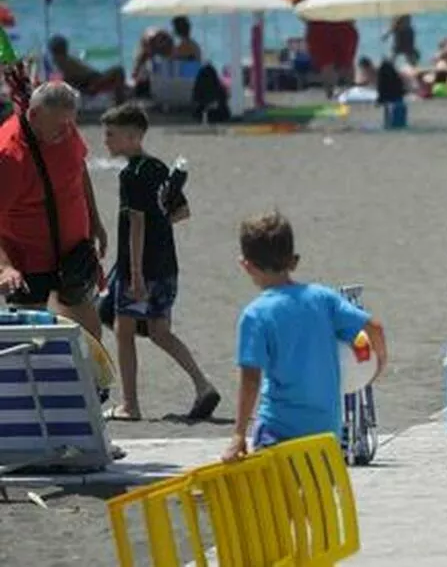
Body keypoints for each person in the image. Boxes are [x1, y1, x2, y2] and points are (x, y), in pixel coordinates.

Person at [222, 210, 389, 462]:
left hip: (278, 431)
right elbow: (375, 328)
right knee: (316, 499)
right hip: (324, 433)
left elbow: (251, 379)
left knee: (278, 500)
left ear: (246, 265)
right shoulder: (323, 298)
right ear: (294, 260)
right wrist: (377, 366)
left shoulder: (255, 315)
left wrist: (238, 435)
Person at [99, 104, 219, 421]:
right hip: (167, 264)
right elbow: (181, 211)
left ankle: (130, 404)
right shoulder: (160, 168)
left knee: (124, 329)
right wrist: (160, 219)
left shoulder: (132, 174)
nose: (106, 142)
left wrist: (135, 274)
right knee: (159, 331)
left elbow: (136, 223)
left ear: (132, 136)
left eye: (111, 135)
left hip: (140, 268)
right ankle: (203, 384)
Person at [0, 81, 109, 341]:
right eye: (60, 125)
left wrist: (95, 221)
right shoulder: (9, 154)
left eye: (70, 123)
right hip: (27, 260)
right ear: (34, 115)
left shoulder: (65, 130)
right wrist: (5, 267)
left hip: (74, 253)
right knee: (29, 341)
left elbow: (79, 170)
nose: (66, 131)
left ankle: (96, 383)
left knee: (90, 333)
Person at [289, 0, 359, 98]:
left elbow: (293, 2)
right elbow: (355, 3)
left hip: (318, 25)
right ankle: (350, 93)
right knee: (347, 63)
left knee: (326, 63)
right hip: (343, 23)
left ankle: (330, 94)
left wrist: (305, 17)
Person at [46, 35, 128, 105]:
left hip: (90, 80)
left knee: (118, 76)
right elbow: (68, 78)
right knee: (119, 71)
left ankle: (119, 101)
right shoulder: (61, 60)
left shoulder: (59, 60)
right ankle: (120, 103)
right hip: (90, 82)